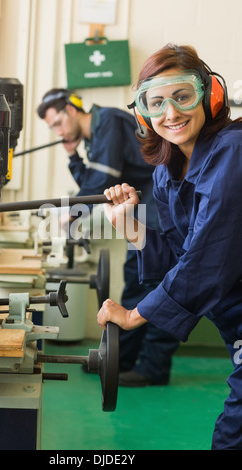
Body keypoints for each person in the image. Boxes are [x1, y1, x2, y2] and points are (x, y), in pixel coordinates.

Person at [97, 42, 242, 450]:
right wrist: (130, 225)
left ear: (210, 95)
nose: (171, 114)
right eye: (156, 102)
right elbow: (178, 256)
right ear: (143, 112)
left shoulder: (234, 151)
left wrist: (132, 317)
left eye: (182, 96)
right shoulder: (166, 172)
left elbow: (206, 263)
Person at [37, 89, 179, 386]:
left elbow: (99, 182)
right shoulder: (96, 136)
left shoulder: (109, 122)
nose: (59, 131)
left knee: (159, 284)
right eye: (53, 128)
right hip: (141, 208)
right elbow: (96, 187)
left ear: (73, 109)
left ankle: (153, 367)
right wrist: (73, 155)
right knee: (138, 282)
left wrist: (73, 212)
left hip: (159, 205)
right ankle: (121, 359)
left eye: (58, 122)